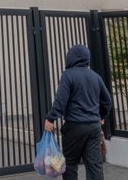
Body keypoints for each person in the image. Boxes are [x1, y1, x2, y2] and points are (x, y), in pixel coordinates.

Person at [43, 44, 112, 180]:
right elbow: (107, 101)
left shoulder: (68, 75)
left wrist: (50, 118)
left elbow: (60, 100)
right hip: (94, 128)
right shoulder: (95, 76)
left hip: (74, 128)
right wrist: (100, 115)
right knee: (95, 166)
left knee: (70, 165)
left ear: (71, 58)